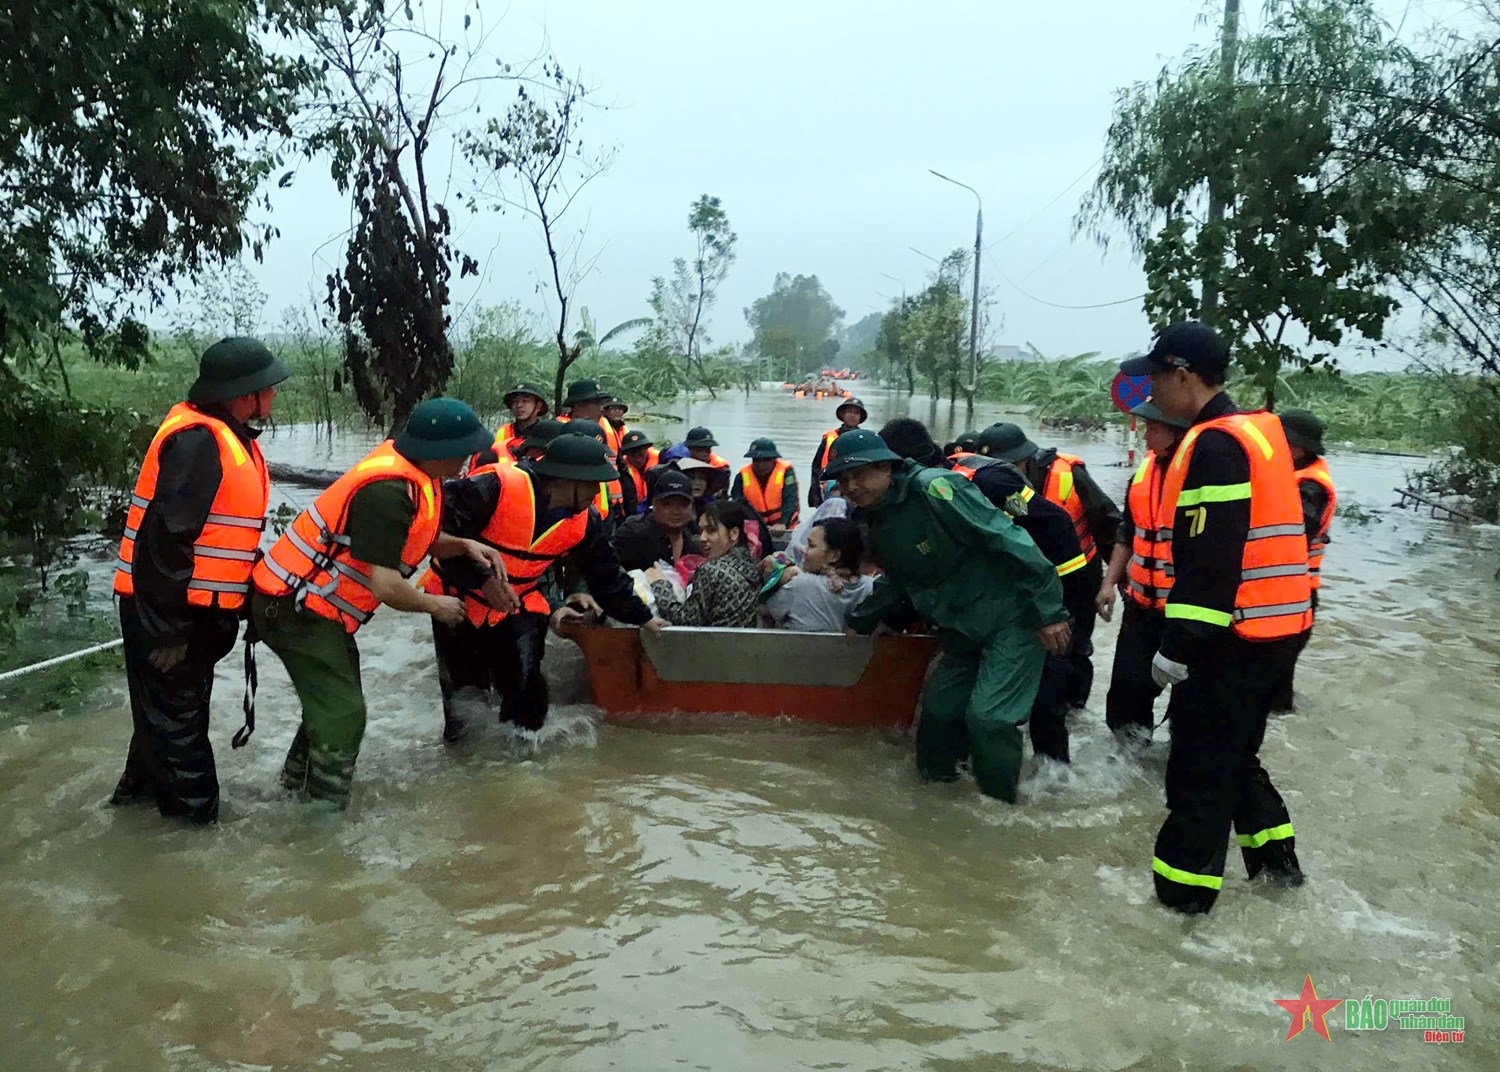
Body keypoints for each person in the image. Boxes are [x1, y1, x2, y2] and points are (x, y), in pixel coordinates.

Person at [1120, 320, 1311, 913]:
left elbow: (1210, 563)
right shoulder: (1258, 434)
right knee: (1234, 760)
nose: (1151, 392)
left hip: (1232, 640)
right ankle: (1279, 874)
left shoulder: (1214, 444)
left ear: (1183, 375)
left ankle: (1180, 911)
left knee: (1198, 777)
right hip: (1276, 632)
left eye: (1156, 378)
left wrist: (1175, 651)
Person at [251, 398, 508, 809]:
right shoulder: (387, 491)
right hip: (293, 608)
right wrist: (435, 605)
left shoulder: (419, 477)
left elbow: (411, 540)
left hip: (315, 611)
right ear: (435, 450)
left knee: (332, 705)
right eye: (462, 449)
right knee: (344, 713)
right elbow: (387, 585)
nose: (468, 457)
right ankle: (321, 818)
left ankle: (290, 790)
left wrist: (462, 544)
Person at [832, 430, 1072, 802]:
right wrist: (862, 619)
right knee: (939, 714)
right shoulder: (875, 519)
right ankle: (937, 802)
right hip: (960, 631)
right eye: (843, 480)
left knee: (989, 719)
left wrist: (1050, 611)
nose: (850, 487)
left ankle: (1000, 808)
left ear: (885, 467)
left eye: (858, 475)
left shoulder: (936, 489)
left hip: (1012, 620)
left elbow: (1008, 538)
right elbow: (897, 578)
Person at [110, 338, 289, 824]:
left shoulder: (228, 439)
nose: (272, 398)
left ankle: (130, 817)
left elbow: (216, 539)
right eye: (267, 390)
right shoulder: (199, 442)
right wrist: (168, 632)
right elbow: (164, 544)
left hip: (194, 615)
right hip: (169, 615)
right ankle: (192, 840)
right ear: (242, 395)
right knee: (181, 735)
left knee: (166, 725)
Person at [419, 434, 665, 741]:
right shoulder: (493, 487)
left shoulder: (585, 522)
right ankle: (466, 763)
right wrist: (483, 580)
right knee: (464, 697)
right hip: (456, 598)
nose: (596, 491)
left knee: (527, 688)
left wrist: (643, 617)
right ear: (564, 479)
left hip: (517, 603)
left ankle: (522, 763)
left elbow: (607, 577)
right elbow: (432, 531)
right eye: (591, 483)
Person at [880, 417, 1087, 766]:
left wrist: (1052, 609)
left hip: (1052, 585)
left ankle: (1054, 777)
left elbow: (1053, 526)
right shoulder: (911, 503)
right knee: (965, 700)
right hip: (989, 605)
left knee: (1046, 692)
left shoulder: (983, 484)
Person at [977, 421, 1119, 709]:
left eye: (1006, 468)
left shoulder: (1069, 474)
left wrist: (1113, 583)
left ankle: (1074, 709)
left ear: (1024, 461)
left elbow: (1108, 524)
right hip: (1031, 575)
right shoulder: (987, 482)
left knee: (1074, 648)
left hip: (1079, 575)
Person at [1095, 398, 1191, 747]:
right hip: (1141, 606)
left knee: (1190, 703)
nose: (1145, 436)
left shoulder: (1200, 476)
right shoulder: (1143, 474)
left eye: (1152, 429)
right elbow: (1128, 533)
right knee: (1125, 694)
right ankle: (1127, 763)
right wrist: (1108, 583)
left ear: (1176, 434)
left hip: (1186, 612)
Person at [1270, 408, 1337, 712]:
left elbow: (1291, 533)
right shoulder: (1291, 476)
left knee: (1274, 687)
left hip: (1294, 598)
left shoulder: (1311, 487)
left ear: (1295, 447)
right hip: (1284, 596)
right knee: (1270, 682)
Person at [646, 500, 760, 627]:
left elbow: (685, 621)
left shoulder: (712, 571)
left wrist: (660, 585)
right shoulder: (753, 564)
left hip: (713, 645)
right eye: (700, 531)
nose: (702, 538)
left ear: (734, 533)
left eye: (711, 530)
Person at [760, 517, 873, 632]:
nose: (804, 550)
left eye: (811, 545)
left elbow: (766, 609)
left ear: (834, 556)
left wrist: (781, 576)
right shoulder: (872, 587)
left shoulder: (802, 584)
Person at [614, 470, 703, 572]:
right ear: (654, 504)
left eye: (683, 505)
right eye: (667, 504)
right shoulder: (632, 533)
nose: (675, 511)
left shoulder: (695, 542)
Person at [560, 378, 624, 514]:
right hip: (575, 511)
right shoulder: (560, 430)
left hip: (610, 508)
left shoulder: (607, 428)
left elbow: (621, 468)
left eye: (601, 403)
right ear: (577, 406)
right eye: (595, 403)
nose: (601, 409)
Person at [731, 437, 800, 535]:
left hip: (784, 527)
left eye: (766, 460)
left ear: (774, 459)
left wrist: (783, 523)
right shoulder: (742, 476)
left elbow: (790, 500)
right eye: (757, 460)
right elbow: (737, 503)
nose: (761, 464)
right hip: (753, 527)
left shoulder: (786, 472)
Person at [809, 397, 868, 507]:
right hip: (829, 486)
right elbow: (816, 467)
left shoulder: (865, 439)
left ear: (860, 417)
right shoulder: (829, 437)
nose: (852, 415)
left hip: (854, 486)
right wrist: (814, 493)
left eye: (856, 413)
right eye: (849, 411)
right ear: (842, 414)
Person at [476, 382, 549, 466]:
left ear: (538, 406)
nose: (519, 405)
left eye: (525, 401)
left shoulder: (546, 432)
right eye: (515, 402)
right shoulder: (504, 430)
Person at [617, 430, 659, 517]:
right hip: (634, 513)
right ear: (626, 455)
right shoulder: (621, 470)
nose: (638, 460)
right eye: (633, 456)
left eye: (641, 454)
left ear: (646, 450)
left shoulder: (660, 463)